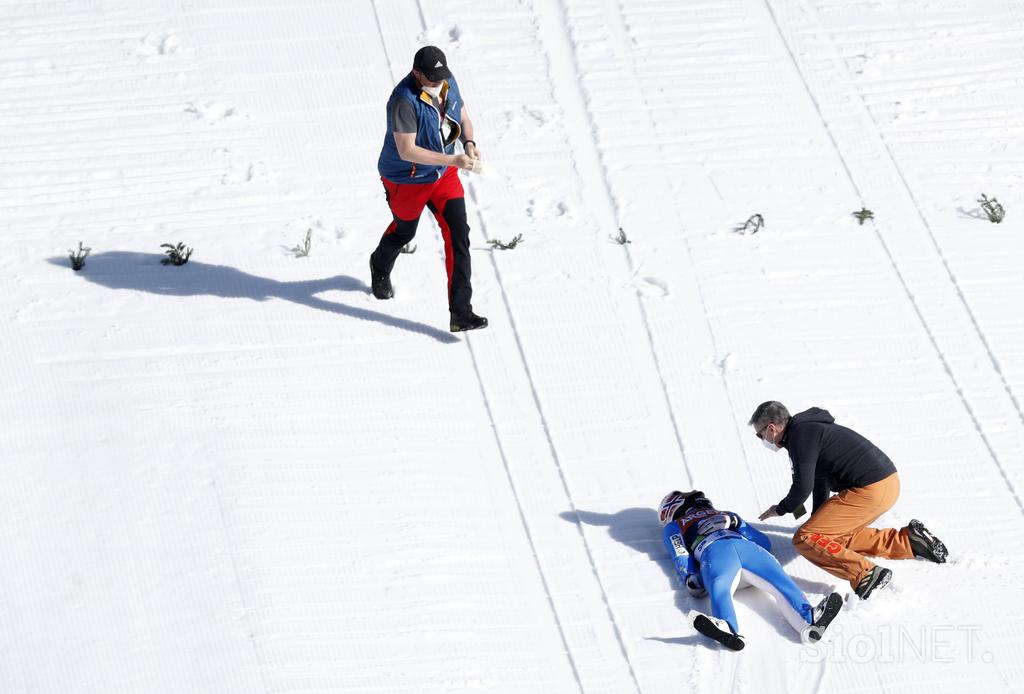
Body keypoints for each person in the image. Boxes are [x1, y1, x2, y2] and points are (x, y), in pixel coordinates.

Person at [750, 401, 948, 600]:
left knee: (805, 538)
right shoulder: (808, 429)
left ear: (771, 428)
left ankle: (865, 574)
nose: (762, 439)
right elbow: (820, 479)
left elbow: (803, 487)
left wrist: (782, 509)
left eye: (760, 435)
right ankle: (908, 542)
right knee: (829, 537)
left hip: (870, 488)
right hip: (887, 483)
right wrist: (817, 518)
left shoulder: (800, 435)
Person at [370, 45, 488, 332]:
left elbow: (463, 116)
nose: (438, 83)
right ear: (417, 74)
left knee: (459, 234)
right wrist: (453, 159)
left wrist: (469, 143)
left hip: (444, 173)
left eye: (441, 77)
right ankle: (379, 264)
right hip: (406, 177)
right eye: (432, 79)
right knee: (404, 231)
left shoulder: (447, 82)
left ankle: (461, 313)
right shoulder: (403, 101)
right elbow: (406, 150)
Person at [660, 489, 843, 651]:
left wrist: (689, 575)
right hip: (731, 551)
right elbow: (763, 544)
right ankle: (807, 619)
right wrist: (736, 523)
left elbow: (680, 554)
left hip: (717, 553)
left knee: (723, 586)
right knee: (778, 581)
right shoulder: (686, 523)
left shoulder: (690, 522)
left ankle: (728, 625)